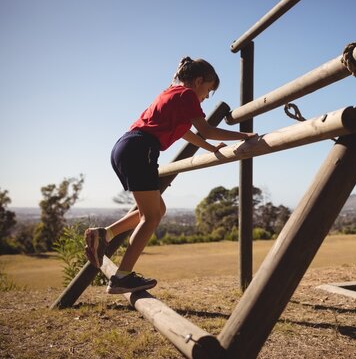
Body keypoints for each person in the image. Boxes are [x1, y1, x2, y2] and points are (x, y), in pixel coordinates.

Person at [84, 57, 257, 294]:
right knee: (151, 217)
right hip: (140, 149)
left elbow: (187, 132)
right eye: (207, 91)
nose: (206, 97)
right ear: (198, 81)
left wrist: (211, 149)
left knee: (156, 210)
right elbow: (206, 129)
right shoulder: (186, 95)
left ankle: (104, 234)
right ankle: (122, 277)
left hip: (126, 146)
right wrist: (245, 136)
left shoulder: (171, 93)